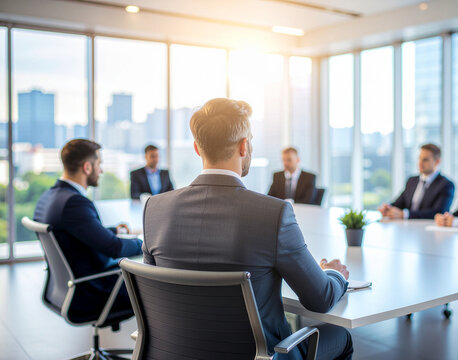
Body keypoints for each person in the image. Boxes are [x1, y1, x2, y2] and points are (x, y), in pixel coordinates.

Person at [142, 98, 353, 360]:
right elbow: (319, 299)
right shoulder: (273, 213)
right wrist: (334, 273)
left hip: (176, 352)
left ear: (197, 148)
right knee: (341, 337)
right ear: (244, 145)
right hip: (262, 355)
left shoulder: (154, 209)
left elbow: (155, 294)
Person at [34, 139, 142, 320]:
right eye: (99, 164)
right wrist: (145, 243)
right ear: (87, 167)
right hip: (92, 292)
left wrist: (114, 231)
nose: (101, 170)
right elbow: (114, 248)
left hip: (65, 288)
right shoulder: (74, 203)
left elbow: (76, 232)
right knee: (157, 285)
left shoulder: (50, 197)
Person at [379, 143, 454, 219]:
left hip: (428, 228)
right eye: (419, 158)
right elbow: (400, 203)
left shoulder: (446, 185)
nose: (420, 163)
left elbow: (438, 212)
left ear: (437, 162)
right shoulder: (412, 180)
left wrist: (404, 214)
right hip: (406, 227)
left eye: (425, 160)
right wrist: (388, 208)